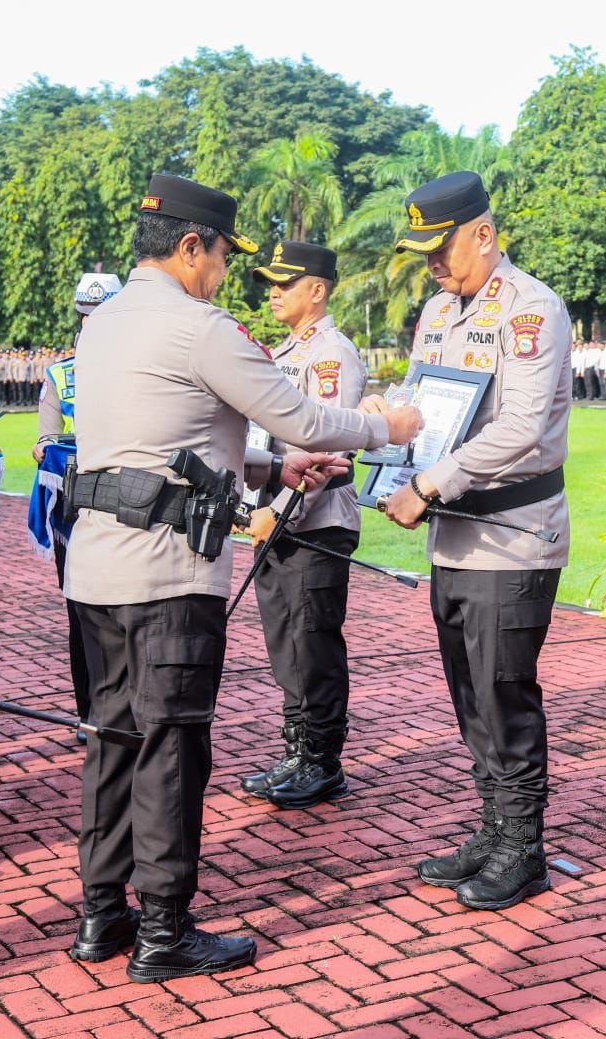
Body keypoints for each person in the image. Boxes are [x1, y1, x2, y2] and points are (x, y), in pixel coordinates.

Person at [62, 173, 421, 983]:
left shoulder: (106, 321)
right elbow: (305, 414)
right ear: (192, 246)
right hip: (167, 577)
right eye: (223, 254)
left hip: (96, 570)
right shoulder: (200, 326)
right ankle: (164, 929)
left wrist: (268, 466)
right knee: (172, 747)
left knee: (113, 739)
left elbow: (163, 441)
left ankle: (101, 914)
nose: (225, 271)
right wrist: (385, 426)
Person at [382, 170, 572, 911]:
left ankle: (523, 847)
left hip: (511, 534)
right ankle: (492, 829)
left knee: (503, 692)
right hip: (456, 537)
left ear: (484, 235)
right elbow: (422, 398)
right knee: (469, 693)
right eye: (423, 249)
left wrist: (428, 485)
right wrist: (383, 430)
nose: (432, 262)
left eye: (442, 247)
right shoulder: (439, 309)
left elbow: (522, 428)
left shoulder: (530, 310)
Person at [238, 242, 367, 809]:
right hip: (278, 517)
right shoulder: (283, 351)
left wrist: (277, 512)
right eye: (271, 282)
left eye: (285, 283)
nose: (273, 291)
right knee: (285, 643)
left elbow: (326, 448)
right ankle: (296, 748)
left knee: (312, 644)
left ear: (317, 290)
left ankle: (322, 760)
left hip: (314, 521)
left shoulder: (331, 356)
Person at [32, 271, 120, 731]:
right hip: (78, 507)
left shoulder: (140, 364)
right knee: (82, 611)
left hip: (132, 505)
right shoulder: (60, 374)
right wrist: (46, 446)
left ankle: (123, 712)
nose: (92, 324)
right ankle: (91, 712)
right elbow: (48, 436)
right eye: (87, 316)